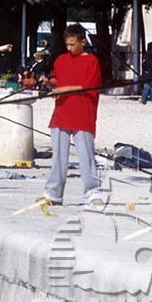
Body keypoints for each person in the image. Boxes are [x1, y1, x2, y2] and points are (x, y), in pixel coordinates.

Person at [37, 23, 104, 207]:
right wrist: (48, 81)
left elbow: (84, 87)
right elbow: (56, 78)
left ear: (83, 42)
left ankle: (92, 191)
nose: (69, 48)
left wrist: (60, 89)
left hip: (83, 114)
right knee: (58, 156)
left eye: (73, 44)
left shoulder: (91, 61)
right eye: (67, 44)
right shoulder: (61, 59)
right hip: (61, 113)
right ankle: (53, 194)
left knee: (86, 155)